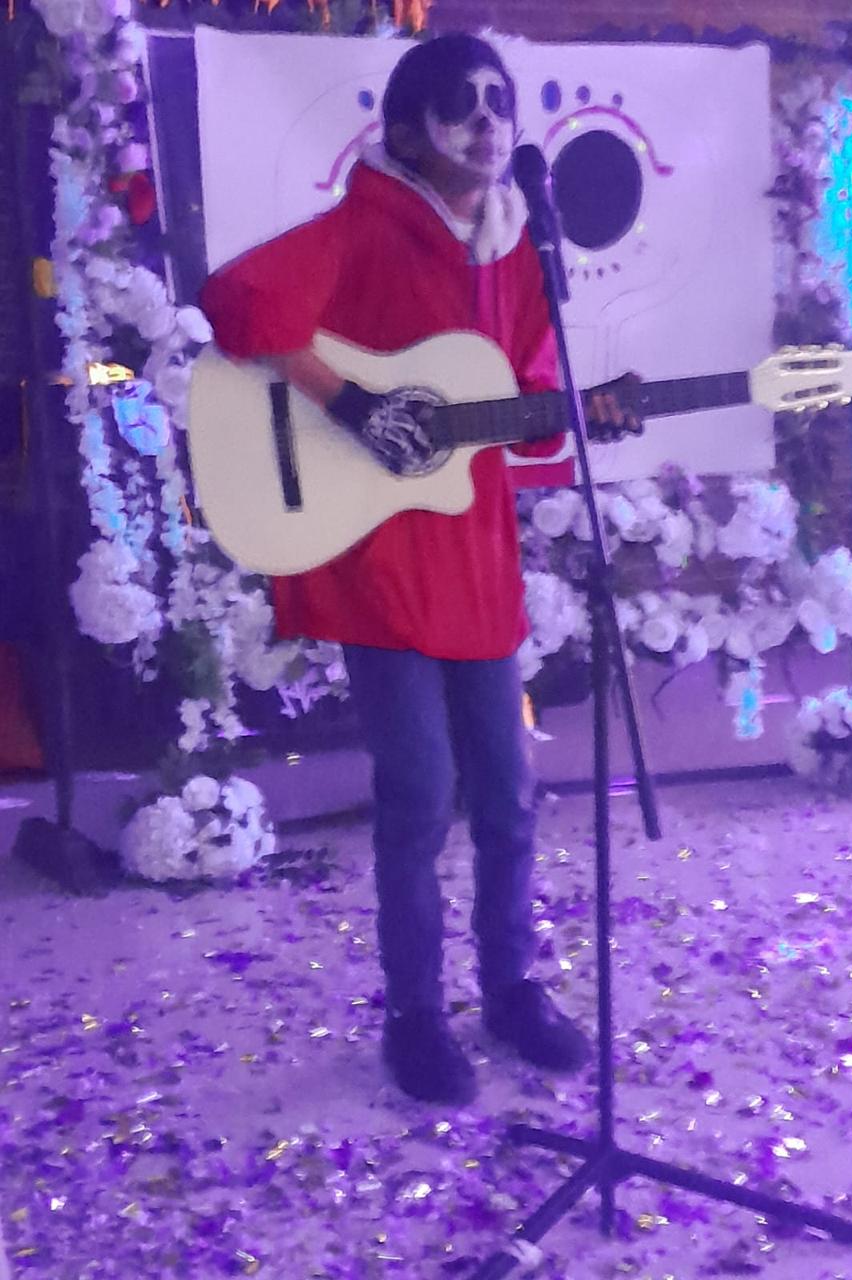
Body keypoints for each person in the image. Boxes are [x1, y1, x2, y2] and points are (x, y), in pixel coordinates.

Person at [201, 33, 630, 1105]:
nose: (487, 123)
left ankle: (512, 987)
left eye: (499, 102)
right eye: (460, 104)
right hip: (380, 559)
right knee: (420, 793)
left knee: (509, 792)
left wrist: (582, 412)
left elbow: (527, 410)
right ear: (405, 130)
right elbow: (240, 302)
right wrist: (350, 403)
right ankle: (416, 1013)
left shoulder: (515, 248)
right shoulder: (363, 224)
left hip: (474, 554)